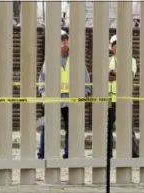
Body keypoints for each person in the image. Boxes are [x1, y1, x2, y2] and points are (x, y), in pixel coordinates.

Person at [37, 30, 92, 159]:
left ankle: (69, 154)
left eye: (66, 38)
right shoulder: (50, 59)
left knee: (71, 127)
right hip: (54, 98)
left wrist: (85, 92)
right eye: (62, 39)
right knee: (48, 127)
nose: (65, 41)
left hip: (71, 99)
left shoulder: (76, 58)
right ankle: (42, 154)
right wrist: (43, 94)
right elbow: (42, 79)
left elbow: (85, 76)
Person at [108, 34, 139, 158]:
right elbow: (106, 77)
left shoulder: (131, 60)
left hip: (124, 100)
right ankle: (108, 155)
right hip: (109, 100)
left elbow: (128, 75)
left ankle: (134, 155)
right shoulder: (108, 60)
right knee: (107, 130)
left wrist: (113, 72)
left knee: (127, 129)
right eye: (115, 45)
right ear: (111, 47)